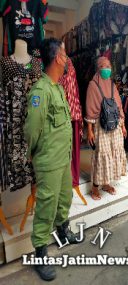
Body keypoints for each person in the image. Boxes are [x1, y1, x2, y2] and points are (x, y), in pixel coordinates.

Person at [24, 38, 82, 281]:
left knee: (64, 198)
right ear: (58, 58)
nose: (68, 58)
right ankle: (39, 252)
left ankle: (63, 229)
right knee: (46, 205)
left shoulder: (58, 87)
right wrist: (38, 155)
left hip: (62, 158)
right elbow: (32, 129)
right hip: (48, 160)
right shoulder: (41, 90)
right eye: (65, 54)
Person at [85, 56, 127, 200]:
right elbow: (90, 109)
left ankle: (106, 184)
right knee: (102, 155)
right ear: (98, 68)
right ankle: (95, 187)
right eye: (104, 66)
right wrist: (89, 130)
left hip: (114, 125)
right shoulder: (92, 85)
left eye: (109, 66)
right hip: (100, 126)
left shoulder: (111, 84)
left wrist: (123, 125)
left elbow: (118, 105)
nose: (107, 69)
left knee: (113, 152)